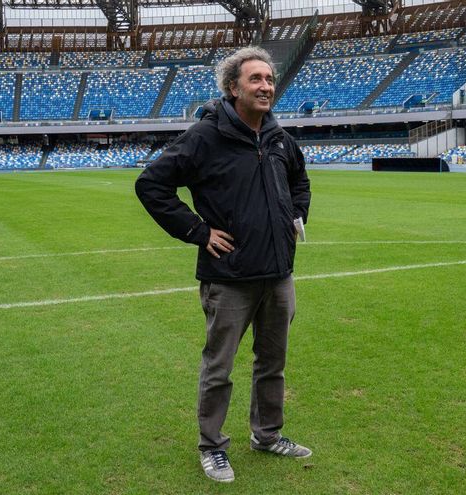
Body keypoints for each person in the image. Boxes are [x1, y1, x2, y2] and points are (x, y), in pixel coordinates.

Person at [135, 46, 312, 483]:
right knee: (220, 367)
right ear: (234, 88)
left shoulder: (278, 136)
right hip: (229, 278)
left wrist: (296, 217)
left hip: (278, 274)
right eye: (256, 79)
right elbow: (151, 185)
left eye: (269, 80)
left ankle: (267, 435)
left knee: (273, 363)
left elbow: (299, 181)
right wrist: (198, 232)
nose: (266, 86)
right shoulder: (205, 136)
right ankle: (212, 446)